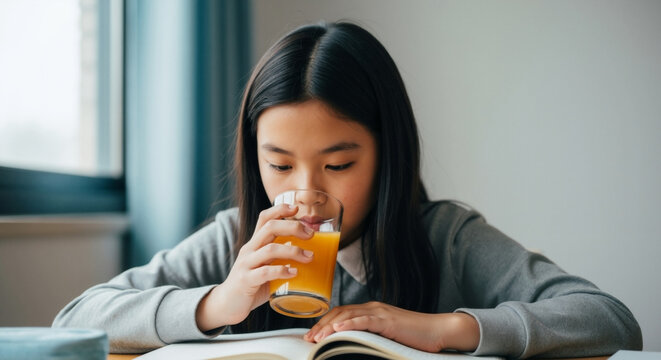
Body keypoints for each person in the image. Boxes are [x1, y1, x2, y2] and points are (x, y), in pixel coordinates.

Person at [53, 22, 642, 358]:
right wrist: (218, 302)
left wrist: (438, 328)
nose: (305, 194)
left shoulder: (446, 237)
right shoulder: (241, 242)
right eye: (279, 166)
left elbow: (609, 319)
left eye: (338, 165)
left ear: (387, 154)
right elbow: (76, 319)